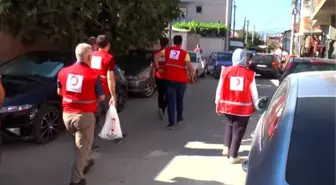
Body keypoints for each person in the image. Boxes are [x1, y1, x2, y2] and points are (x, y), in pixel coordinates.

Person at [57, 43, 105, 185]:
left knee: (81, 144)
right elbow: (101, 97)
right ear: (89, 57)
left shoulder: (63, 72)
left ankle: (85, 163)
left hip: (67, 114)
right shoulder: (93, 75)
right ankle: (76, 180)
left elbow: (59, 92)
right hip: (84, 116)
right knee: (82, 149)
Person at [215, 48, 259, 164]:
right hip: (243, 108)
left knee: (229, 125)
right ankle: (233, 156)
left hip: (227, 106)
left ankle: (226, 147)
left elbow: (219, 88)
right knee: (238, 130)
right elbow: (254, 92)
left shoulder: (225, 71)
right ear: (245, 58)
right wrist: (256, 104)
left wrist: (217, 102)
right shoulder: (250, 74)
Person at [91, 34, 126, 144]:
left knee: (93, 115)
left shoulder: (91, 55)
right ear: (108, 45)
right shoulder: (109, 58)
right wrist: (113, 95)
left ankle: (90, 142)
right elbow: (110, 78)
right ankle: (116, 136)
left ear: (97, 45)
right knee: (111, 112)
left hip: (93, 89)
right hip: (105, 89)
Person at [155, 35, 195, 130]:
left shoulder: (167, 51)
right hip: (181, 82)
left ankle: (171, 123)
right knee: (179, 100)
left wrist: (158, 68)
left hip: (170, 81)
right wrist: (192, 77)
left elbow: (156, 56)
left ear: (173, 42)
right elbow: (190, 68)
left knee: (171, 101)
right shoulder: (185, 54)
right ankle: (179, 118)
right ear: (181, 43)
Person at [154, 37, 169, 120]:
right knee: (167, 94)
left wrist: (157, 67)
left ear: (160, 43)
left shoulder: (156, 52)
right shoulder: (168, 52)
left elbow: (153, 65)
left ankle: (160, 107)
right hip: (167, 77)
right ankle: (163, 107)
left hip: (158, 76)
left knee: (160, 93)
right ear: (167, 44)